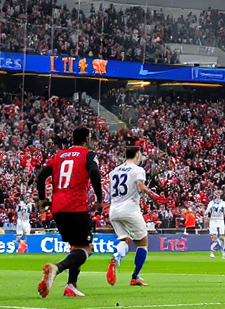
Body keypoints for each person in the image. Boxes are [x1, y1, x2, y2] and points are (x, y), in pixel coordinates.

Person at [35, 126, 104, 298]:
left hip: (58, 207)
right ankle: (57, 268)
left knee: (75, 246)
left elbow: (41, 176)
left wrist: (42, 198)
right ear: (86, 139)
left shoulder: (58, 155)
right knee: (87, 248)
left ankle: (71, 285)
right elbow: (94, 172)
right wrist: (99, 198)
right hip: (76, 206)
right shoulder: (88, 154)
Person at [105, 146, 154, 287]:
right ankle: (135, 277)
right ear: (137, 154)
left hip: (114, 210)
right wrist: (152, 195)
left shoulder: (114, 171)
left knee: (124, 239)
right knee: (142, 243)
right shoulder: (138, 170)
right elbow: (140, 185)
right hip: (130, 209)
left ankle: (116, 257)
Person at [205, 193, 225, 259]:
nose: (217, 196)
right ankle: (212, 252)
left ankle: (222, 251)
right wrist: (207, 213)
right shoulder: (211, 203)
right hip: (213, 220)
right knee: (213, 237)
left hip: (220, 220)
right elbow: (207, 210)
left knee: (221, 236)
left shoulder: (223, 203)